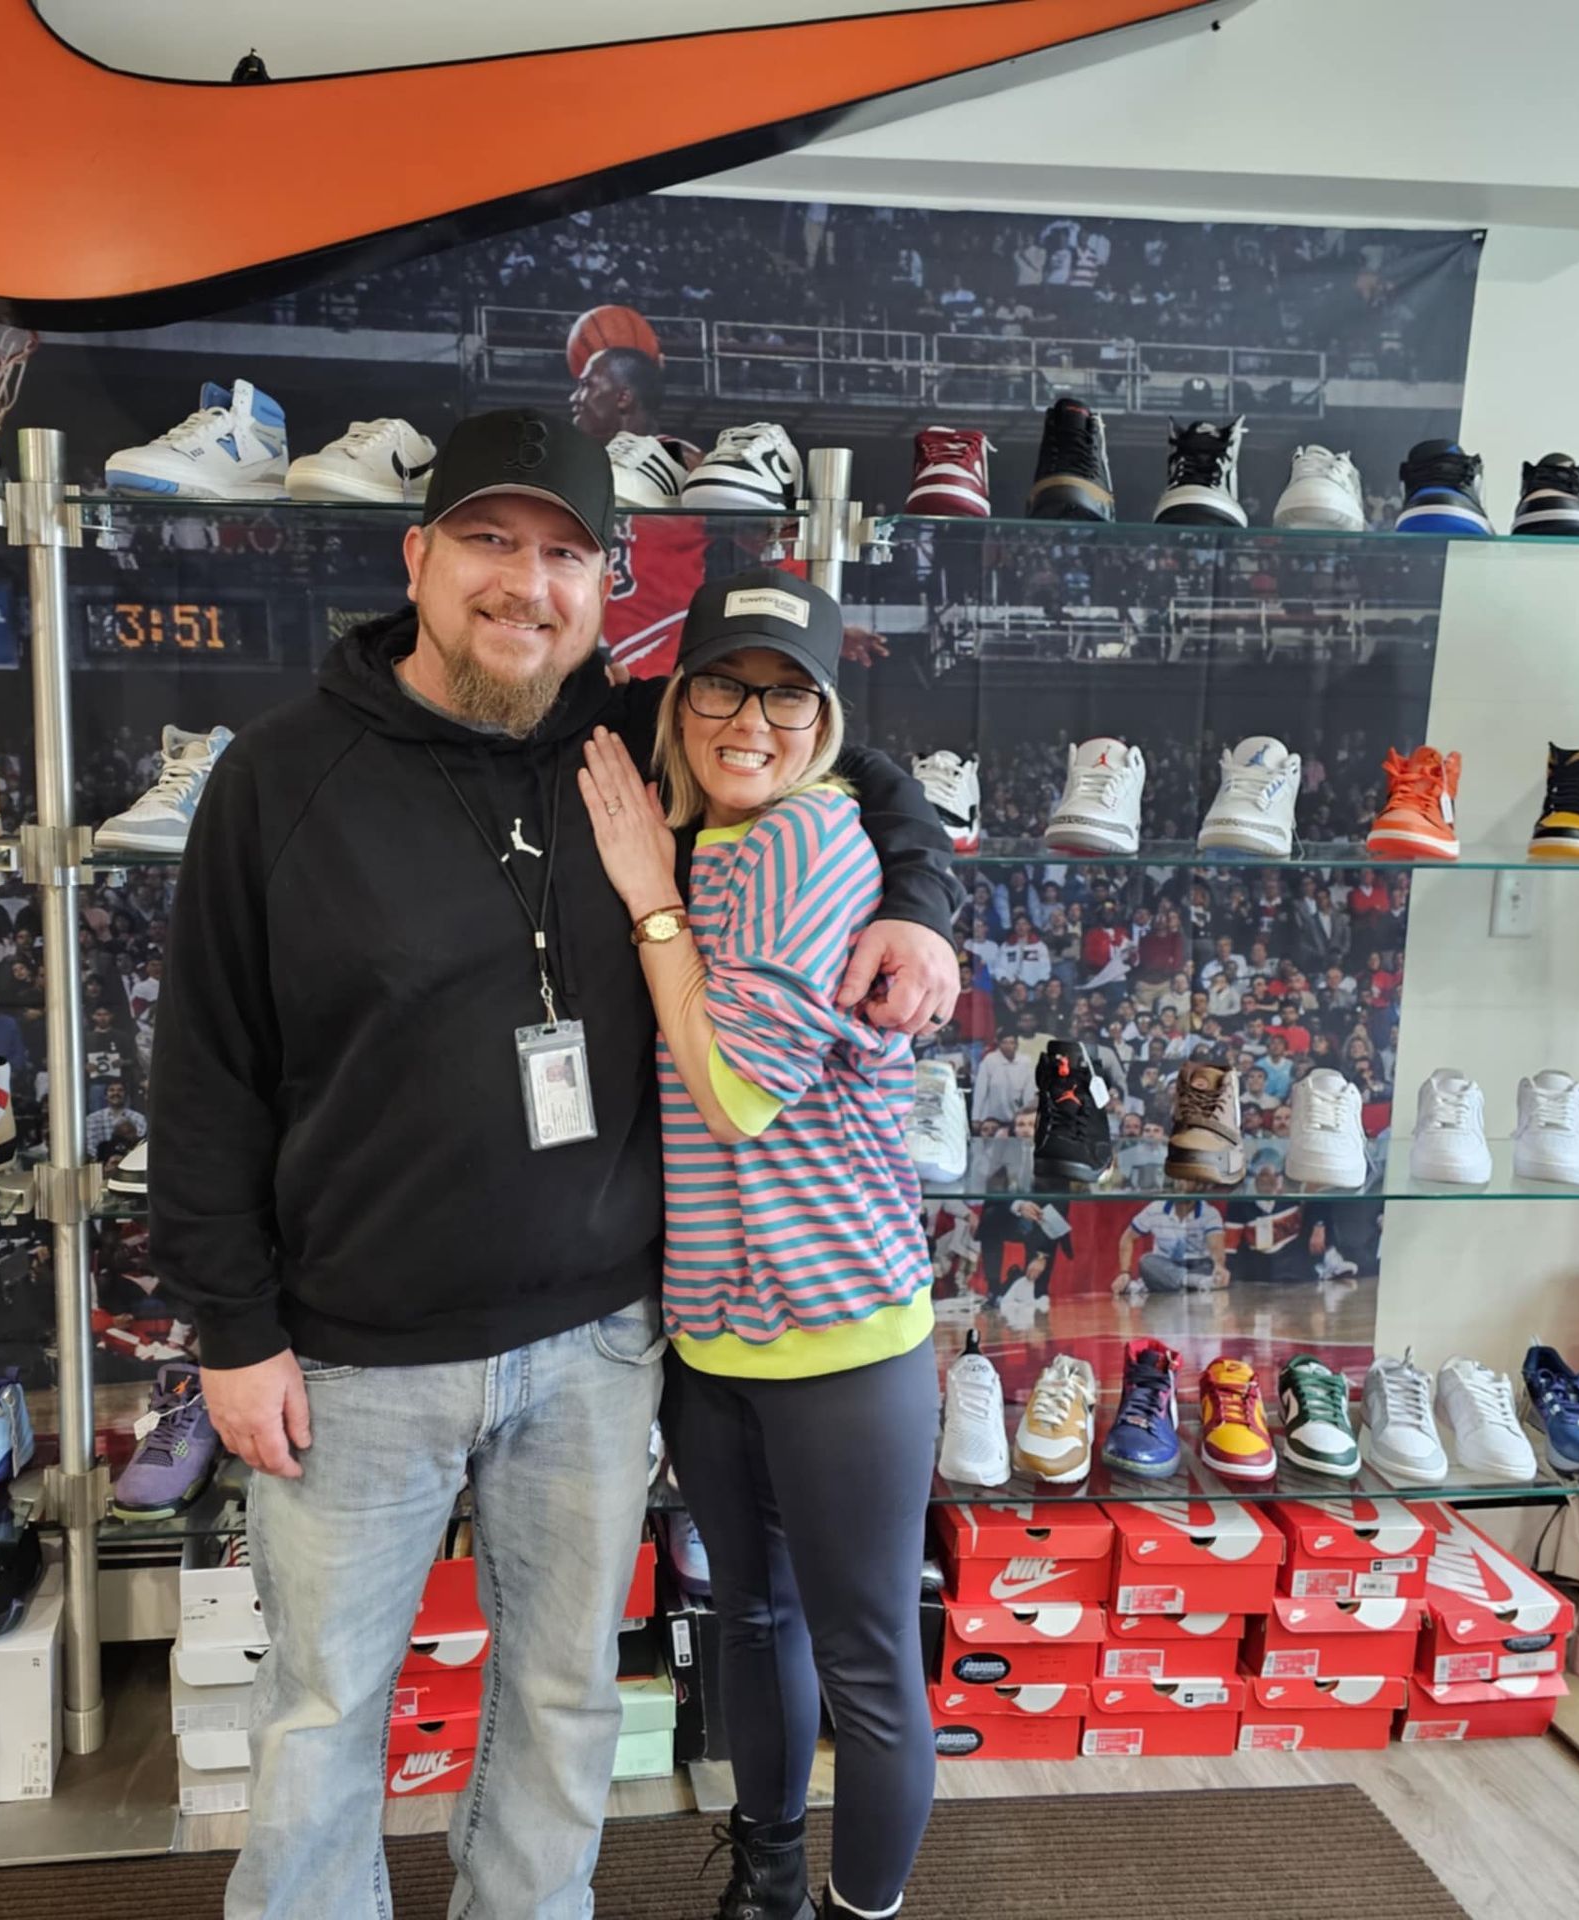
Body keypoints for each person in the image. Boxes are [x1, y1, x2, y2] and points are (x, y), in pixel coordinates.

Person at [149, 410, 960, 1920]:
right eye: (489, 541)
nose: (526, 585)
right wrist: (232, 1329)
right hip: (357, 1353)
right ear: (417, 556)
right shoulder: (278, 775)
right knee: (322, 1717)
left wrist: (917, 898)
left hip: (598, 1341)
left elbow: (841, 753)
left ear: (603, 589)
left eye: (566, 556)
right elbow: (203, 1071)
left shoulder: (631, 731)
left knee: (564, 1699)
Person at [574, 569, 935, 1920]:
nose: (751, 720)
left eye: (789, 697)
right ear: (678, 698)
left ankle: (855, 1912)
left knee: (864, 1658)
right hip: (716, 1330)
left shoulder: (808, 839)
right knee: (752, 1619)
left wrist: (646, 899)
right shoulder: (700, 831)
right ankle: (770, 1884)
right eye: (724, 685)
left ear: (827, 722)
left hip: (842, 1332)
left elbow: (732, 1090)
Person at [568, 340, 708, 677]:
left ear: (623, 397)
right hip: (622, 649)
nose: (575, 397)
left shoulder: (679, 457)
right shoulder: (591, 468)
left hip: (670, 635)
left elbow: (759, 531)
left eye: (586, 385)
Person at [1115, 1197, 1231, 1294]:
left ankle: (1159, 1285)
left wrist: (1219, 1266)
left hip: (1198, 1266)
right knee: (1146, 1262)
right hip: (1165, 1265)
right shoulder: (1155, 1208)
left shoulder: (1210, 1213)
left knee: (1209, 1267)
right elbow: (1127, 1238)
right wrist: (1124, 1273)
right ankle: (1195, 1283)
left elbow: (1216, 1246)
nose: (1183, 1186)